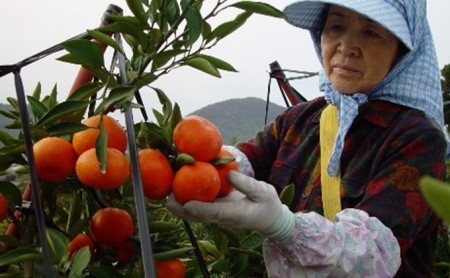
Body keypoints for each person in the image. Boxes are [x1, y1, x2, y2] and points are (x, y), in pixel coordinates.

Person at [167, 0, 449, 277]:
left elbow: (370, 255)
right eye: (336, 26)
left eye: (371, 32)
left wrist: (283, 226)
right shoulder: (302, 119)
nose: (346, 47)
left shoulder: (417, 139)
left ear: (402, 50)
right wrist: (184, 167)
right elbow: (243, 160)